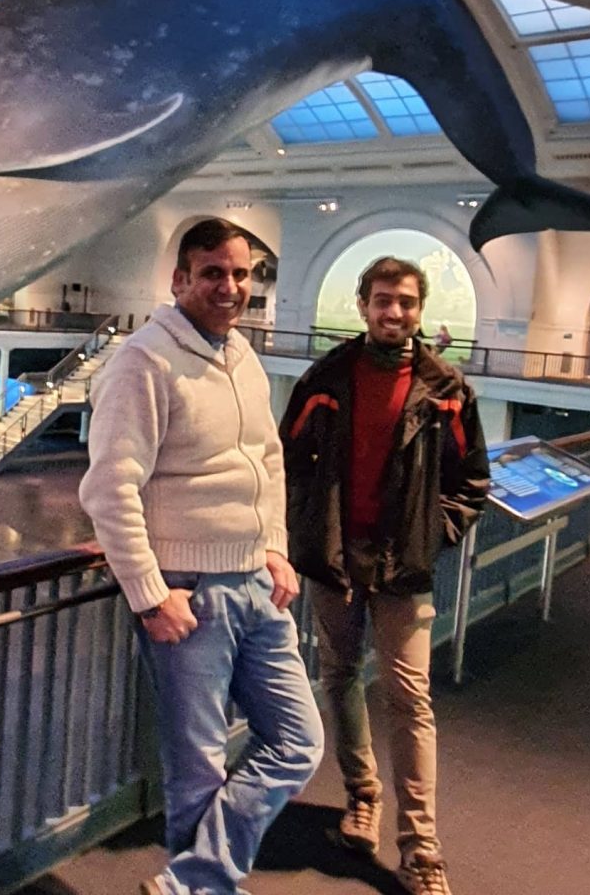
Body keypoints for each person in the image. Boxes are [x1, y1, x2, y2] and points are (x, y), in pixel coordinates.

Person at [80, 218, 323, 895]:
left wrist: (274, 546)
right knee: (199, 765)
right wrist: (150, 595)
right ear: (179, 279)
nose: (230, 286)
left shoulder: (243, 355)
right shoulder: (144, 361)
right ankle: (202, 888)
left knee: (298, 741)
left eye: (242, 273)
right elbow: (110, 488)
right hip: (189, 590)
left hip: (256, 584)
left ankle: (191, 881)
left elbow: (267, 461)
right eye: (213, 272)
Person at [279, 256, 489, 895]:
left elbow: (471, 481)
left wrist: (430, 537)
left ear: (419, 309)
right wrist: (308, 533)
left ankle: (421, 847)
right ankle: (362, 795)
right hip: (335, 562)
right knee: (340, 675)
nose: (393, 312)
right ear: (363, 305)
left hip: (404, 569)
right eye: (382, 300)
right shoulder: (325, 377)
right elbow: (287, 462)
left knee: (410, 700)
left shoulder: (447, 389)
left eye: (405, 301)